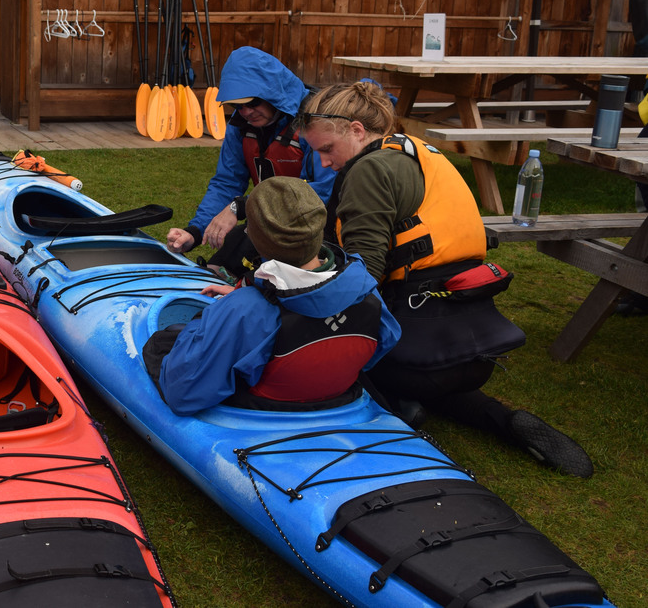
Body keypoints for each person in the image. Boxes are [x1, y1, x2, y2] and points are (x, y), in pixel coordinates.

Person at [296, 80, 594, 477]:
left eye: (326, 150)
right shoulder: (418, 150)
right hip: (471, 346)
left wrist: (299, 296)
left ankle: (393, 410)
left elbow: (361, 279)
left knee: (317, 343)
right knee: (440, 385)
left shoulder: (368, 170)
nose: (326, 163)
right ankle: (503, 420)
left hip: (416, 353)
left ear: (356, 129)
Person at [145, 177, 400, 415]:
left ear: (257, 239)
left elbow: (184, 394)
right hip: (336, 398)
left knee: (165, 341)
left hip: (265, 407)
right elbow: (384, 340)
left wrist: (212, 318)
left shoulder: (246, 310)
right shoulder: (364, 288)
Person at [165, 47, 335, 280]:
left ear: (272, 94)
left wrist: (241, 206)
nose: (245, 112)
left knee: (255, 277)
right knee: (214, 271)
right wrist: (194, 231)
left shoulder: (314, 122)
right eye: (237, 106)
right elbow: (226, 182)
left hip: (317, 229)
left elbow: (322, 192)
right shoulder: (240, 127)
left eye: (252, 102)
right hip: (270, 222)